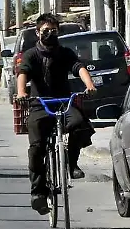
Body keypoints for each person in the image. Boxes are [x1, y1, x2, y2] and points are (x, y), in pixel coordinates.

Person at [16, 13, 97, 215]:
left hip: (63, 103)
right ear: (37, 33)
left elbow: (79, 68)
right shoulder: (31, 55)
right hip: (39, 105)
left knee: (80, 124)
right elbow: (22, 73)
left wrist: (89, 84)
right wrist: (21, 92)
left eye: (53, 31)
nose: (50, 34)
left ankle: (71, 164)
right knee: (36, 148)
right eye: (45, 31)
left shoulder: (65, 53)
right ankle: (38, 193)